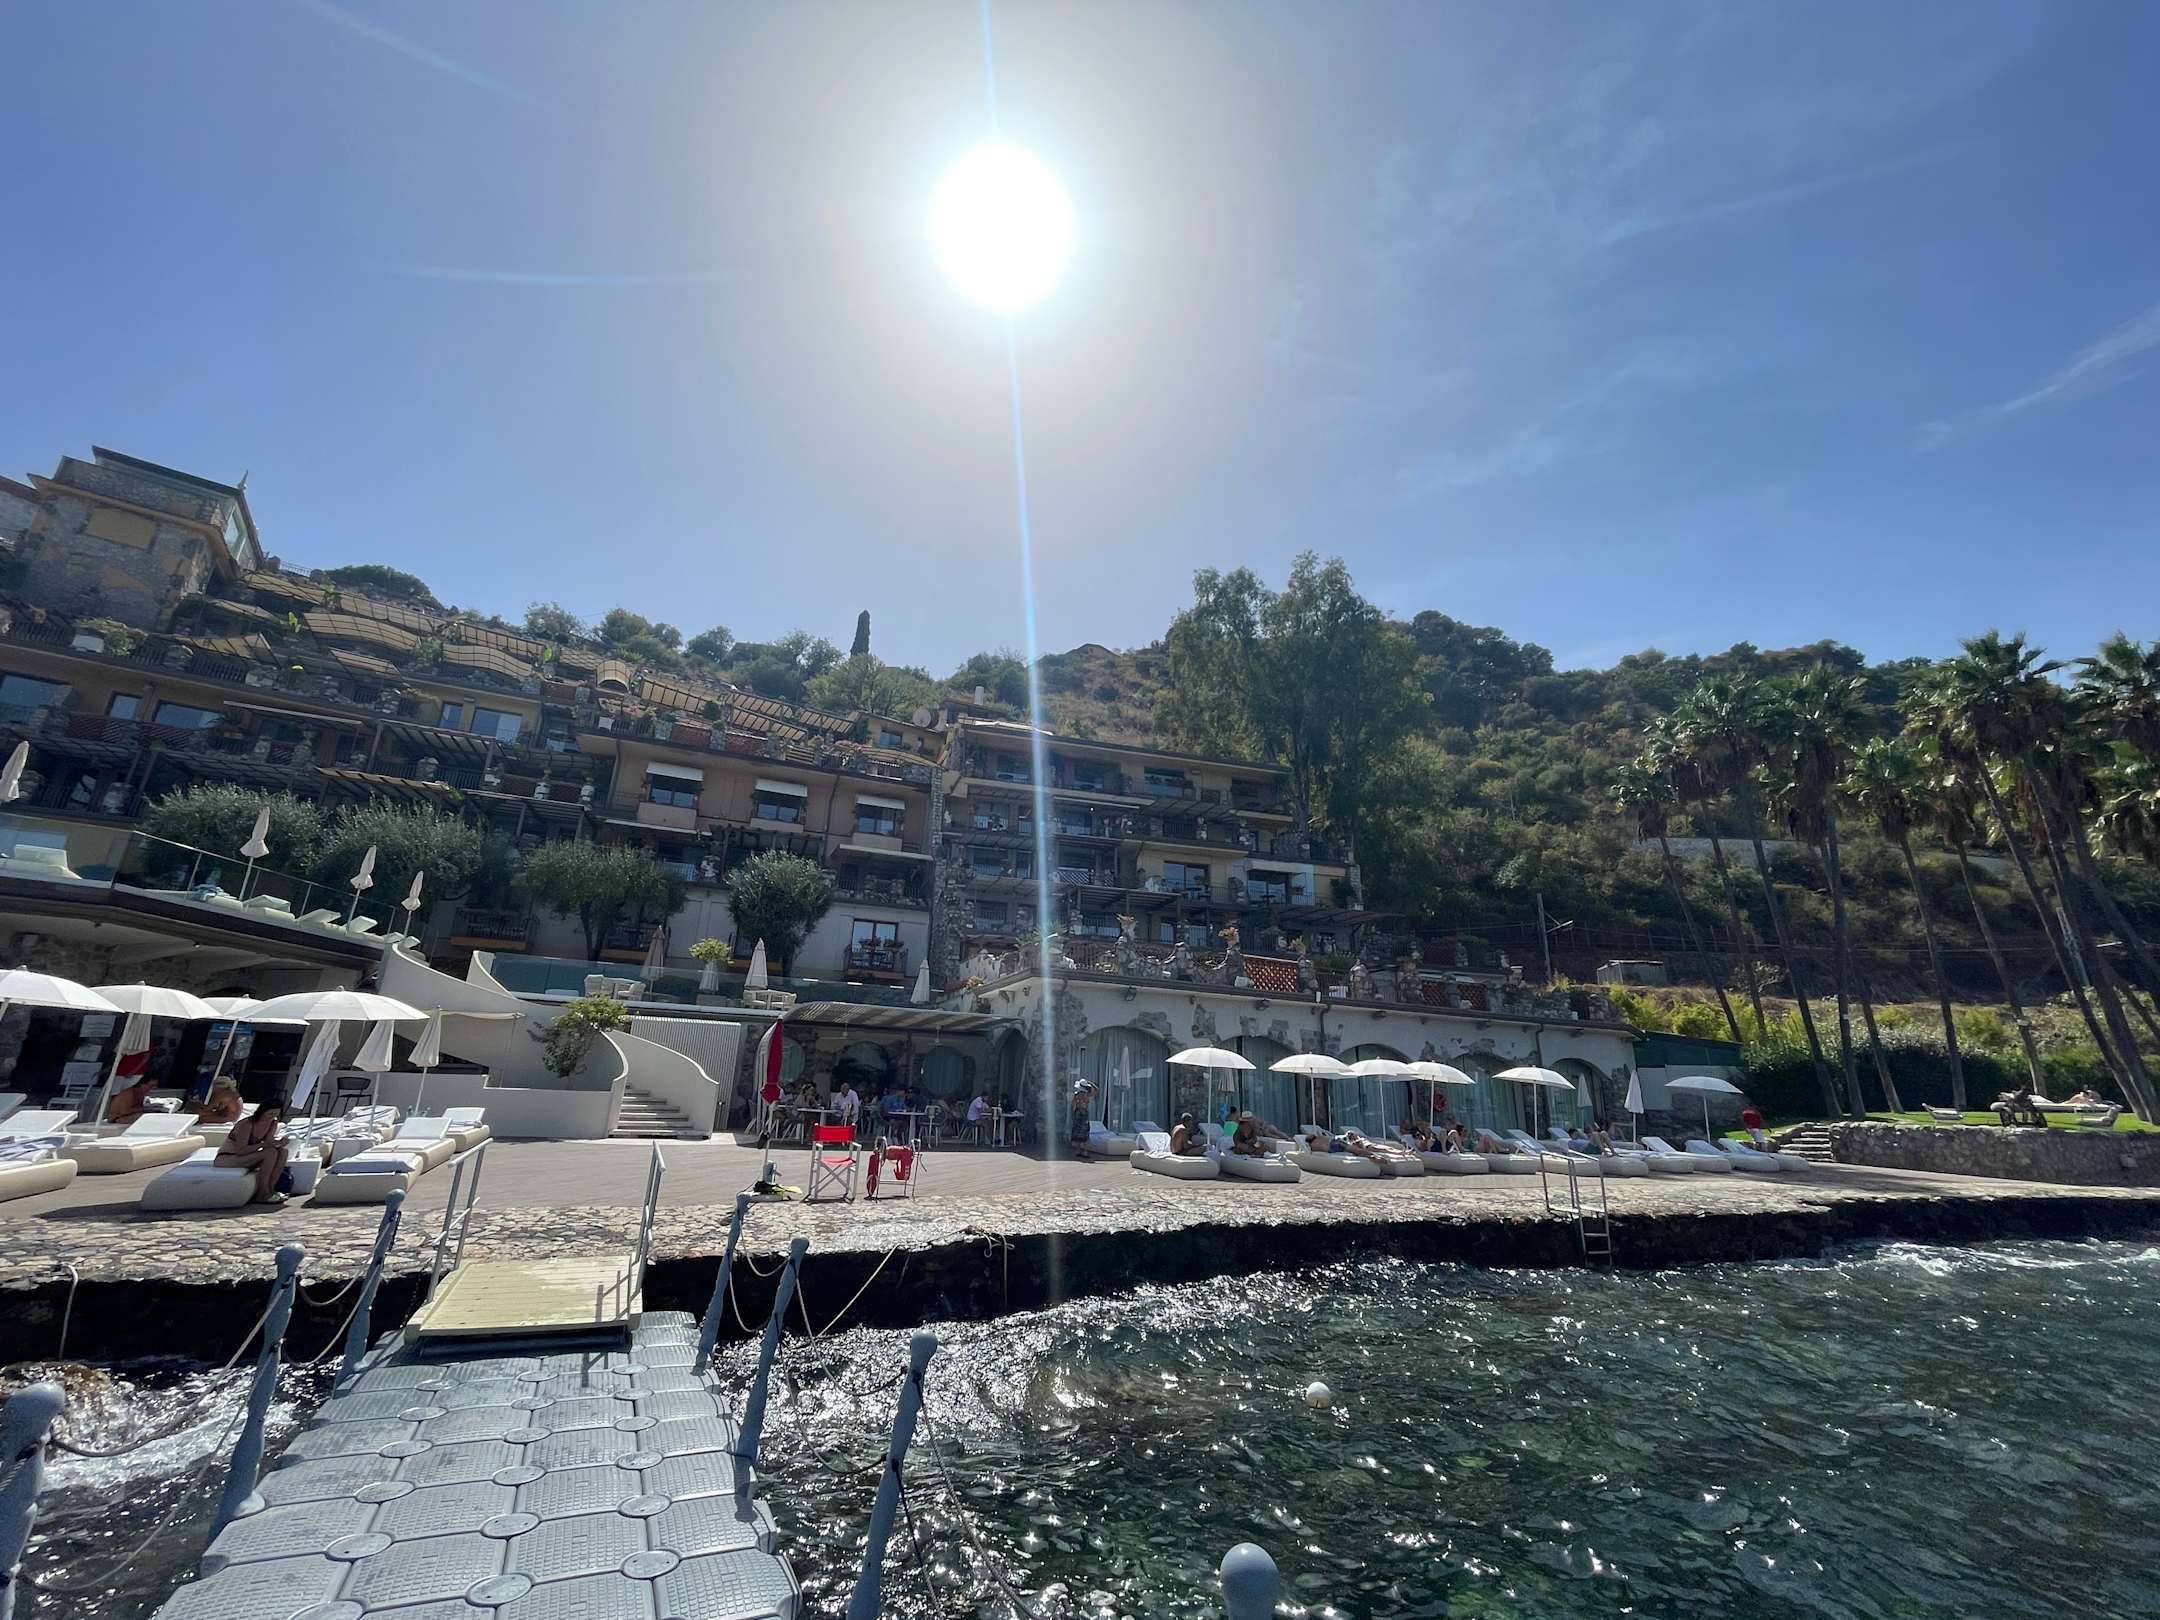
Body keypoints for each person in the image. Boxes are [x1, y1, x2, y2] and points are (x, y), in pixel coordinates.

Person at [217, 1099, 290, 1205]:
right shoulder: (247, 1124)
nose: (271, 1117)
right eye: (270, 1114)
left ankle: (270, 1190)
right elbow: (241, 1150)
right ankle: (262, 1193)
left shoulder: (272, 1123)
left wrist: (280, 1143)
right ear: (263, 1111)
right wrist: (262, 1145)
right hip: (228, 1157)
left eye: (275, 1114)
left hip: (246, 1156)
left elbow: (269, 1142)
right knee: (270, 1153)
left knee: (283, 1152)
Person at [1068, 1080, 1096, 1160]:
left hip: (1077, 1113)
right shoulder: (1086, 1094)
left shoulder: (1076, 1094)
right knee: (1085, 1134)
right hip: (1083, 1114)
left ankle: (1078, 1151)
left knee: (1078, 1133)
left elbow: (1072, 1105)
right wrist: (1091, 1083)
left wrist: (1072, 1114)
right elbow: (1096, 1090)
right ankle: (1085, 1152)